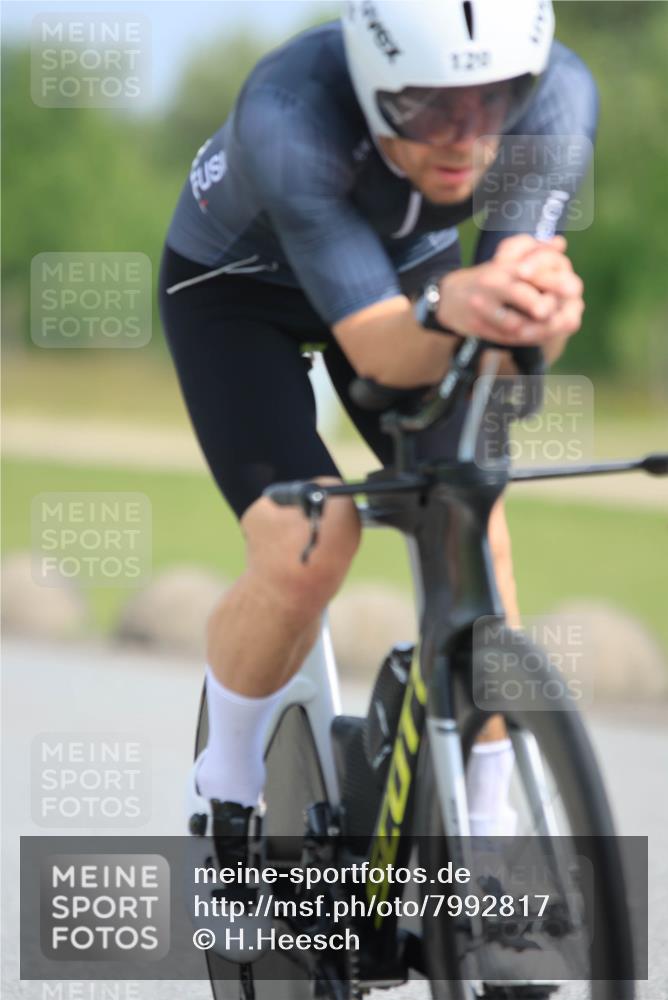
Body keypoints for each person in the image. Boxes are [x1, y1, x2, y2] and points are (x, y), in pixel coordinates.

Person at [158, 0, 597, 950]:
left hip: (409, 277)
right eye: (427, 109)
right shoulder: (291, 109)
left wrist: (537, 327)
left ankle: (488, 837)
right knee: (310, 544)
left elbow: (496, 362)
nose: (463, 141)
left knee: (473, 517)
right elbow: (384, 354)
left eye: (491, 105)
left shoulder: (558, 97)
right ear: (367, 82)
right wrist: (458, 305)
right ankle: (222, 801)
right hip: (239, 292)